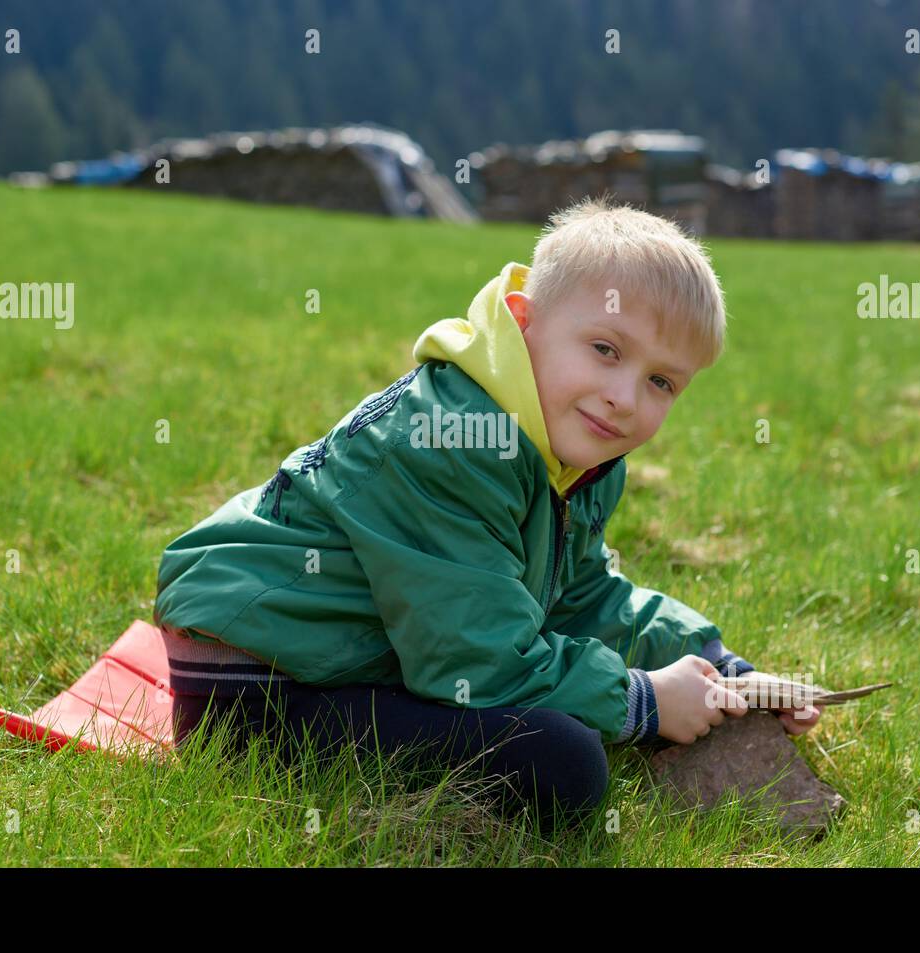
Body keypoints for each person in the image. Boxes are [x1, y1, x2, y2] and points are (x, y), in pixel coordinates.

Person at [154, 195, 819, 835]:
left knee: (563, 739)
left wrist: (719, 666)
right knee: (563, 764)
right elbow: (476, 659)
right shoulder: (452, 439)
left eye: (661, 382)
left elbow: (578, 597)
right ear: (525, 320)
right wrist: (643, 700)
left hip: (356, 659)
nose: (623, 398)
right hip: (258, 683)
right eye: (606, 349)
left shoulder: (570, 453)